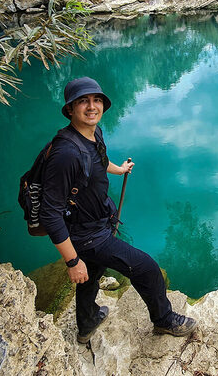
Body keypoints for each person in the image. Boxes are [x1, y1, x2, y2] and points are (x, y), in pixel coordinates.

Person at [39, 77, 197, 343]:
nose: (92, 107)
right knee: (146, 268)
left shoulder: (93, 133)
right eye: (83, 101)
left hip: (98, 222)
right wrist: (72, 262)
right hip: (86, 235)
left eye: (96, 100)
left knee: (92, 275)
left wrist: (119, 169)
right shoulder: (65, 154)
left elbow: (98, 161)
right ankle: (164, 320)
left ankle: (87, 323)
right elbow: (50, 213)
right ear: (70, 109)